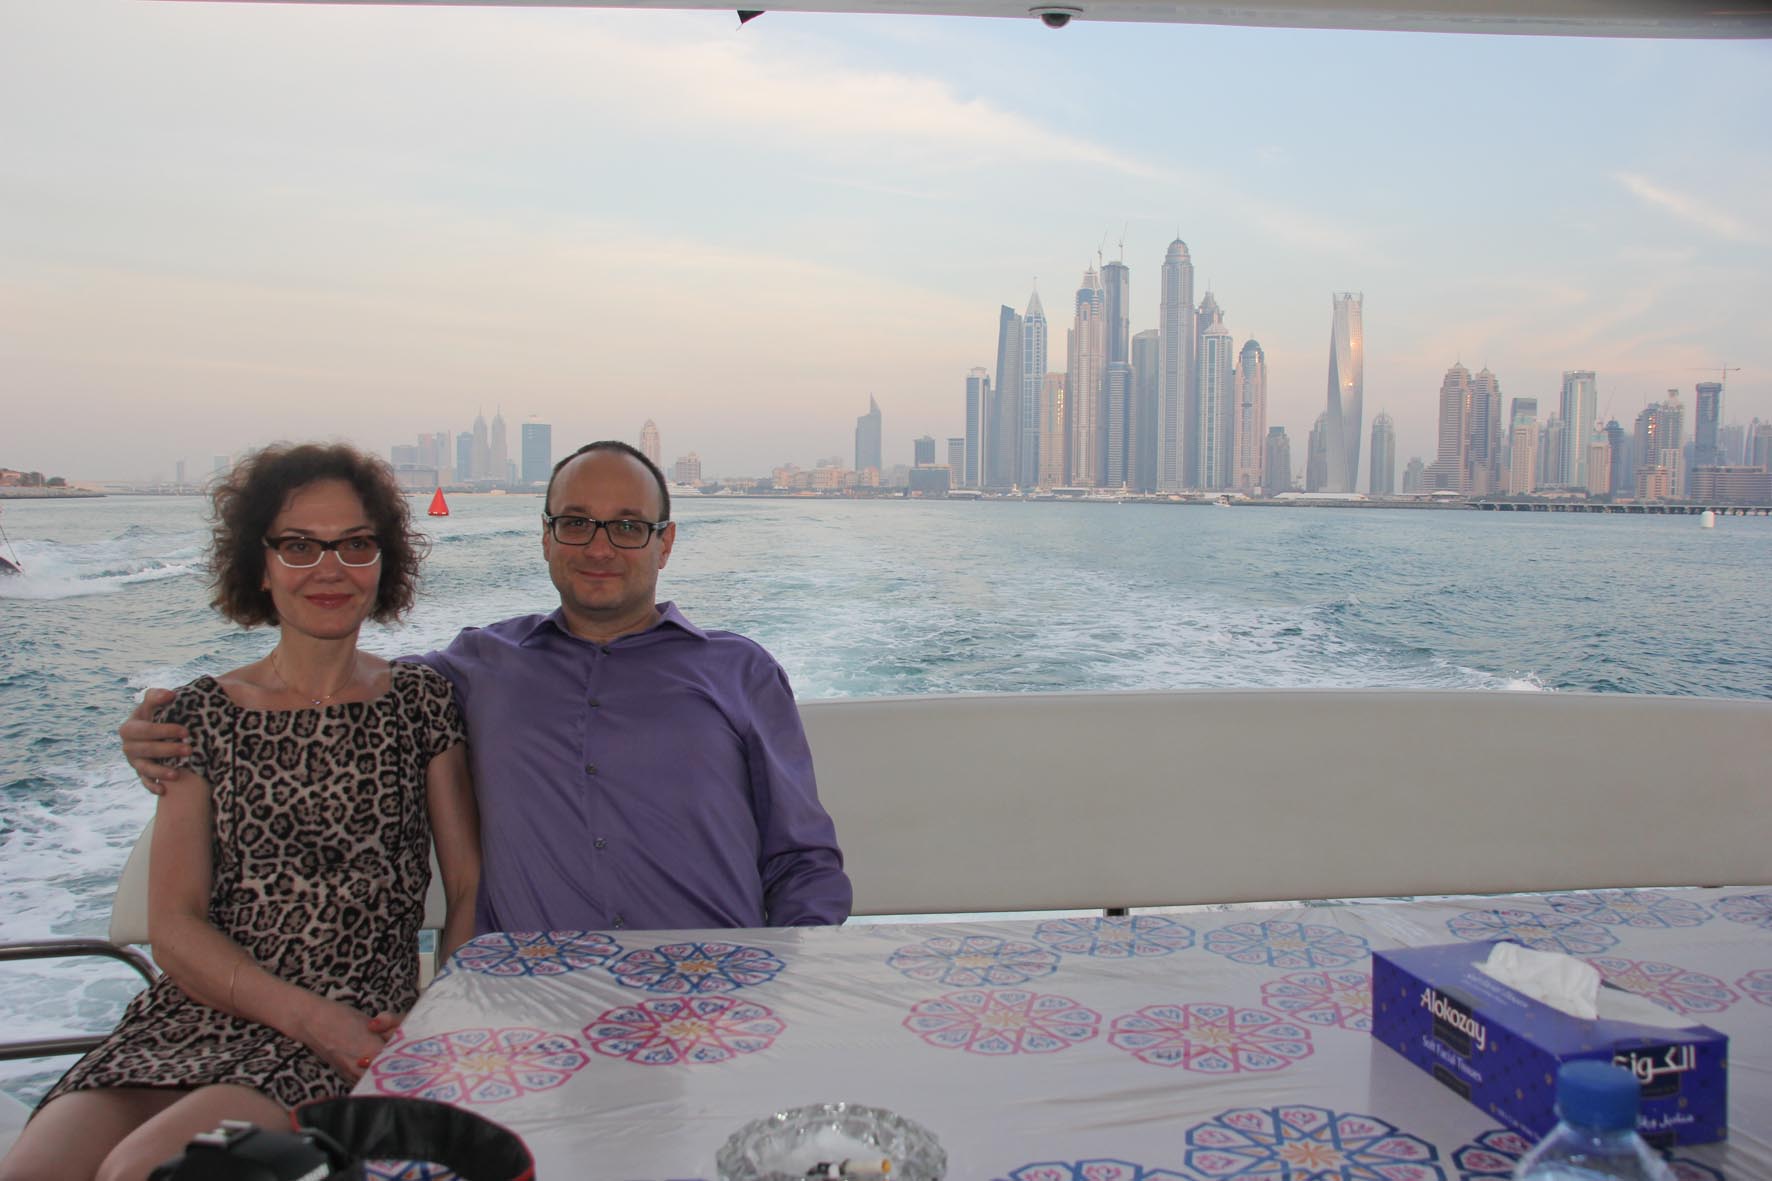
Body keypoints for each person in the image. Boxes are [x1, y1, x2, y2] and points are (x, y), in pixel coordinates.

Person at [121, 440, 850, 935]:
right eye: (576, 523)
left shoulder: (739, 672)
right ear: (545, 537)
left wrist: (787, 983)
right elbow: (328, 683)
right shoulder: (475, 667)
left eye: (628, 527)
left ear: (665, 542)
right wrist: (170, 722)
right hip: (536, 1004)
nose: (599, 547)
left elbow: (803, 860)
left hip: (716, 995)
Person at [3, 444, 481, 1181]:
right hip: (197, 1012)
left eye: (356, 544)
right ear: (260, 566)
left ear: (383, 562)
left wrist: (438, 1020)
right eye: (299, 545)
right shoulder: (199, 715)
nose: (330, 568)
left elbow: (467, 882)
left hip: (354, 1015)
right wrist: (305, 1015)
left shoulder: (421, 701)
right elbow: (175, 926)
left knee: (141, 1171)